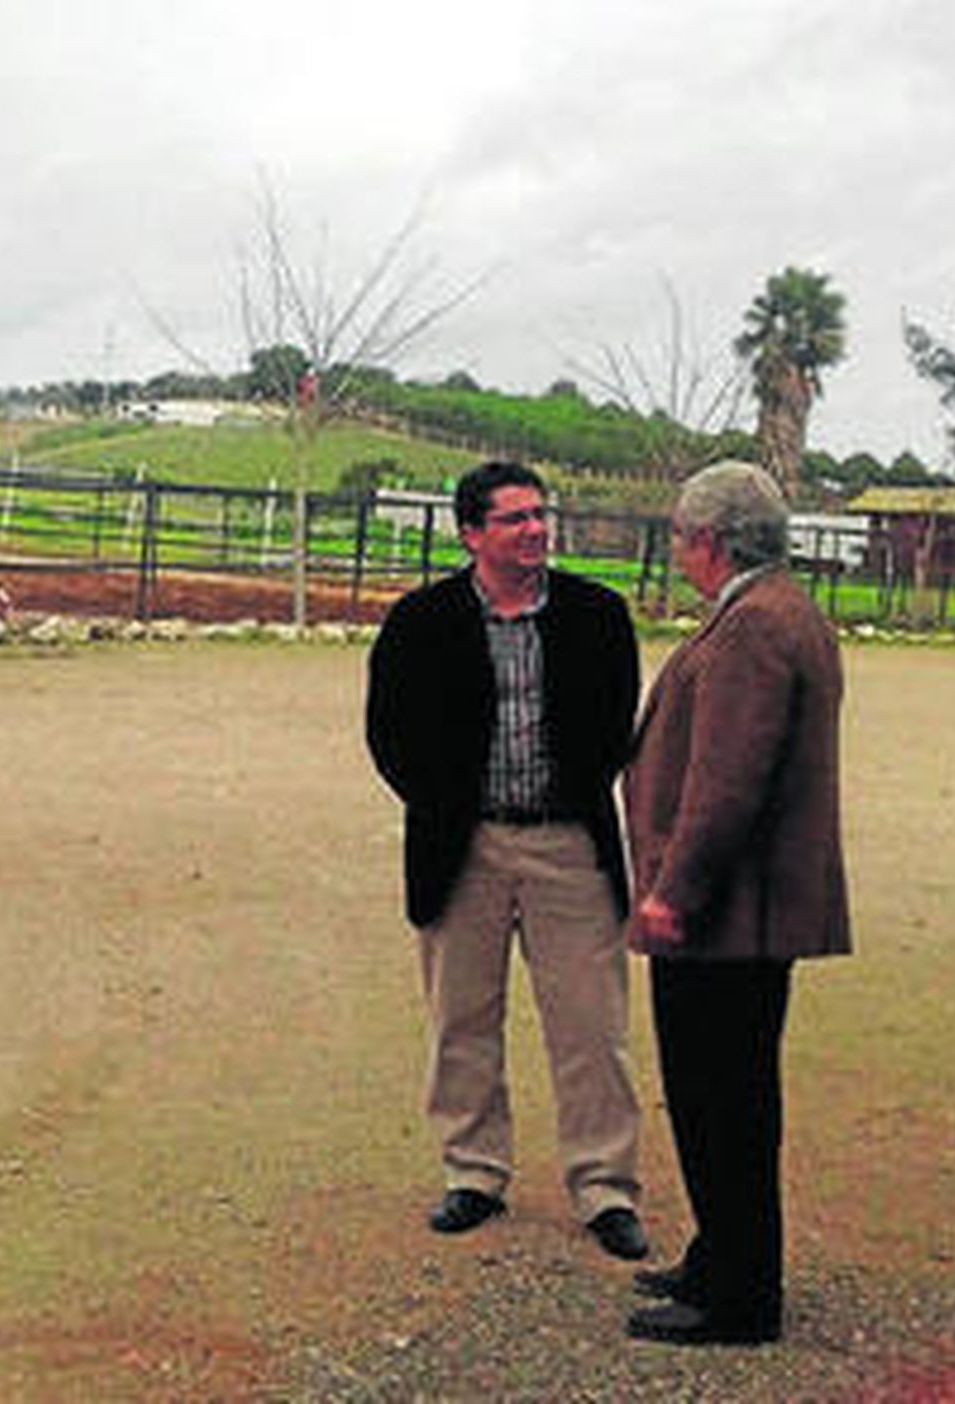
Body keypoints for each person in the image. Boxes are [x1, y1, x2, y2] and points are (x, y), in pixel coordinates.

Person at [365, 460, 648, 1260]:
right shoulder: (419, 622)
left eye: (539, 515)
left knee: (591, 1027)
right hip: (464, 849)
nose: (534, 530)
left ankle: (605, 1187)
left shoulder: (598, 615)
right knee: (462, 1019)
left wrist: (568, 788)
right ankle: (474, 1172)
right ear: (471, 534)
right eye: (514, 518)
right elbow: (388, 732)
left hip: (570, 847)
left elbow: (615, 725)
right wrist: (445, 801)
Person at [624, 461, 851, 1346]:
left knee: (721, 1102)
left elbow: (727, 779)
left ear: (711, 541)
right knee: (732, 1097)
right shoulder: (784, 611)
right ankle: (721, 1256)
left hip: (727, 915)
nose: (680, 554)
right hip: (742, 910)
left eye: (682, 539)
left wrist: (673, 891)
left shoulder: (755, 626)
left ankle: (739, 1296)